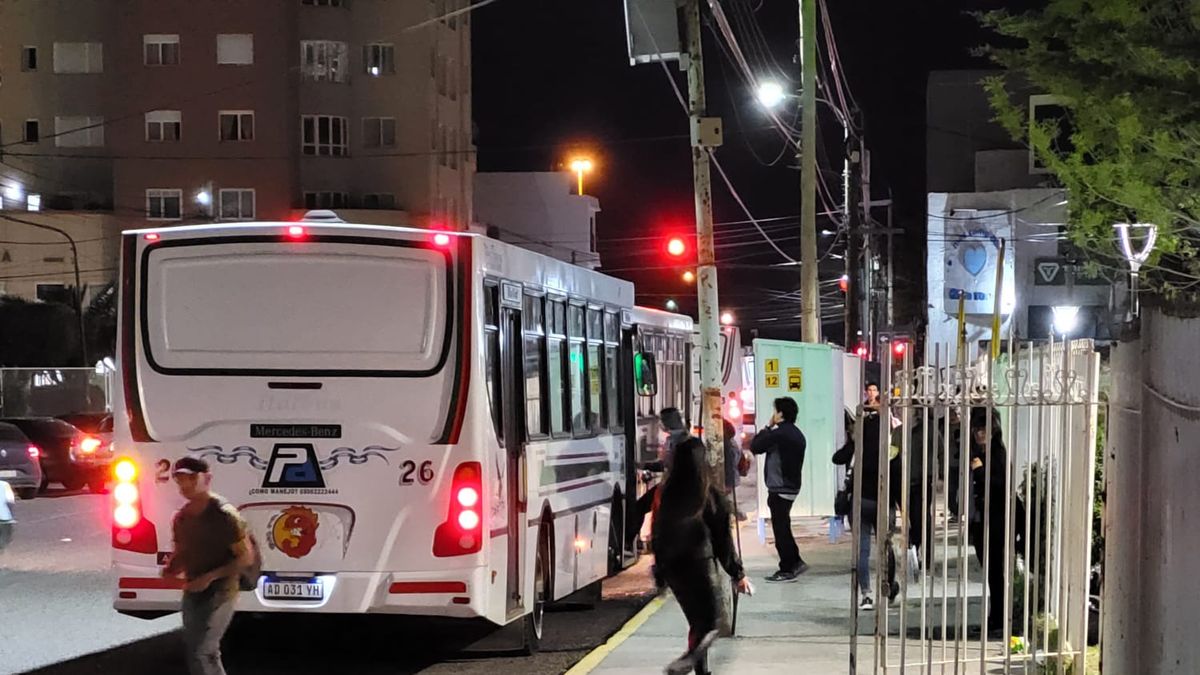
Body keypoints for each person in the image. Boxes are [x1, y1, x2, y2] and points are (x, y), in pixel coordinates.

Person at [652, 437, 751, 675]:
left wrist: (660, 572)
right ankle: (688, 661)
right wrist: (738, 573)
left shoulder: (666, 494)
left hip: (673, 568)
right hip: (699, 564)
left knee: (697, 623)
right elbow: (722, 540)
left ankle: (700, 670)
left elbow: (657, 532)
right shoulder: (709, 494)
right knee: (711, 623)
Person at [162, 457, 255, 675]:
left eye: (192, 478)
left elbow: (245, 558)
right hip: (193, 589)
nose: (186, 485)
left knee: (204, 650)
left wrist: (210, 577)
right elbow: (182, 551)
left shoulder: (224, 516)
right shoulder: (182, 518)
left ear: (207, 479)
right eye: (181, 480)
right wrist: (171, 567)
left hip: (221, 591)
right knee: (195, 648)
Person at [833, 407, 899, 610]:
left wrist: (853, 442)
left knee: (862, 551)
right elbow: (897, 478)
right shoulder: (890, 451)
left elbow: (837, 458)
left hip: (860, 503)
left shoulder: (857, 447)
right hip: (883, 502)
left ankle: (866, 595)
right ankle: (888, 587)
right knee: (886, 547)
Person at [967, 409, 1025, 636]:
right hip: (982, 521)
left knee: (996, 571)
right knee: (990, 572)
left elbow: (1002, 487)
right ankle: (995, 617)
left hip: (998, 522)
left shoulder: (997, 453)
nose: (980, 434)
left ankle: (1000, 618)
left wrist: (981, 472)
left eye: (984, 430)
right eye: (977, 430)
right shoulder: (978, 453)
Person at [750, 397, 808, 581]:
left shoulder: (779, 434)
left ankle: (787, 568)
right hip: (791, 486)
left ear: (780, 414)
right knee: (784, 526)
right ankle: (796, 561)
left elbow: (756, 446)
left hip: (780, 487)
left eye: (775, 411)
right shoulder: (797, 433)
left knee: (780, 529)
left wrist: (768, 426)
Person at [630, 408, 692, 549]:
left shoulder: (676, 440)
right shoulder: (682, 437)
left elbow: (668, 464)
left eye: (662, 421)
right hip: (677, 485)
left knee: (640, 507)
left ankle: (631, 540)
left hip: (672, 486)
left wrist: (645, 465)